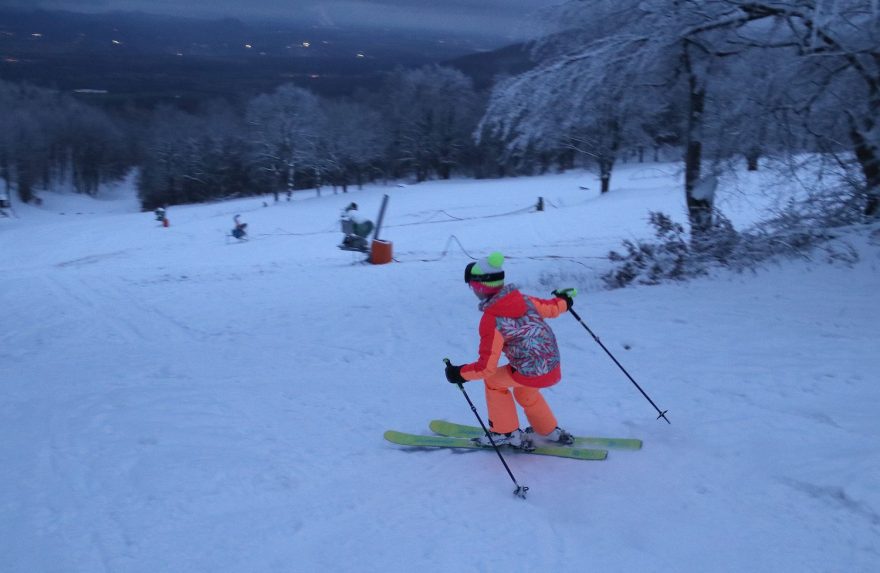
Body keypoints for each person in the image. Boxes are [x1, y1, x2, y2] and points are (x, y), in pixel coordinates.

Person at [444, 252, 578, 450]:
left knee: (493, 382)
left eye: (472, 286)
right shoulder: (524, 300)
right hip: (552, 366)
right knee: (525, 394)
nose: (472, 290)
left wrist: (459, 373)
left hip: (531, 370)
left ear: (480, 287)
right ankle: (548, 430)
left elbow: (486, 368)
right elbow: (551, 308)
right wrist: (564, 301)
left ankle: (506, 433)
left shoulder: (493, 319)